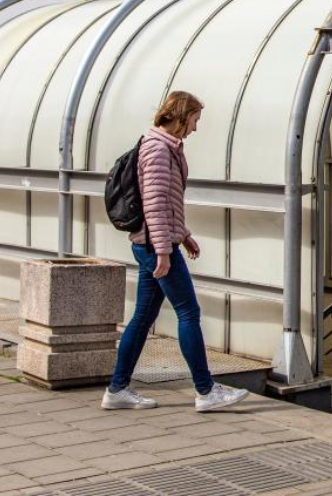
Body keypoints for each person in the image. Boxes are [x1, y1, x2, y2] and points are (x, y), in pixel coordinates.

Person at [101, 91, 248, 412]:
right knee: (188, 312)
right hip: (156, 246)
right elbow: (154, 205)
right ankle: (206, 391)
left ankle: (117, 390)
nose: (195, 128)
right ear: (182, 116)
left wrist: (184, 236)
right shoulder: (157, 150)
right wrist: (165, 251)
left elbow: (168, 203)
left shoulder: (165, 147)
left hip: (156, 243)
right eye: (195, 120)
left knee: (142, 318)